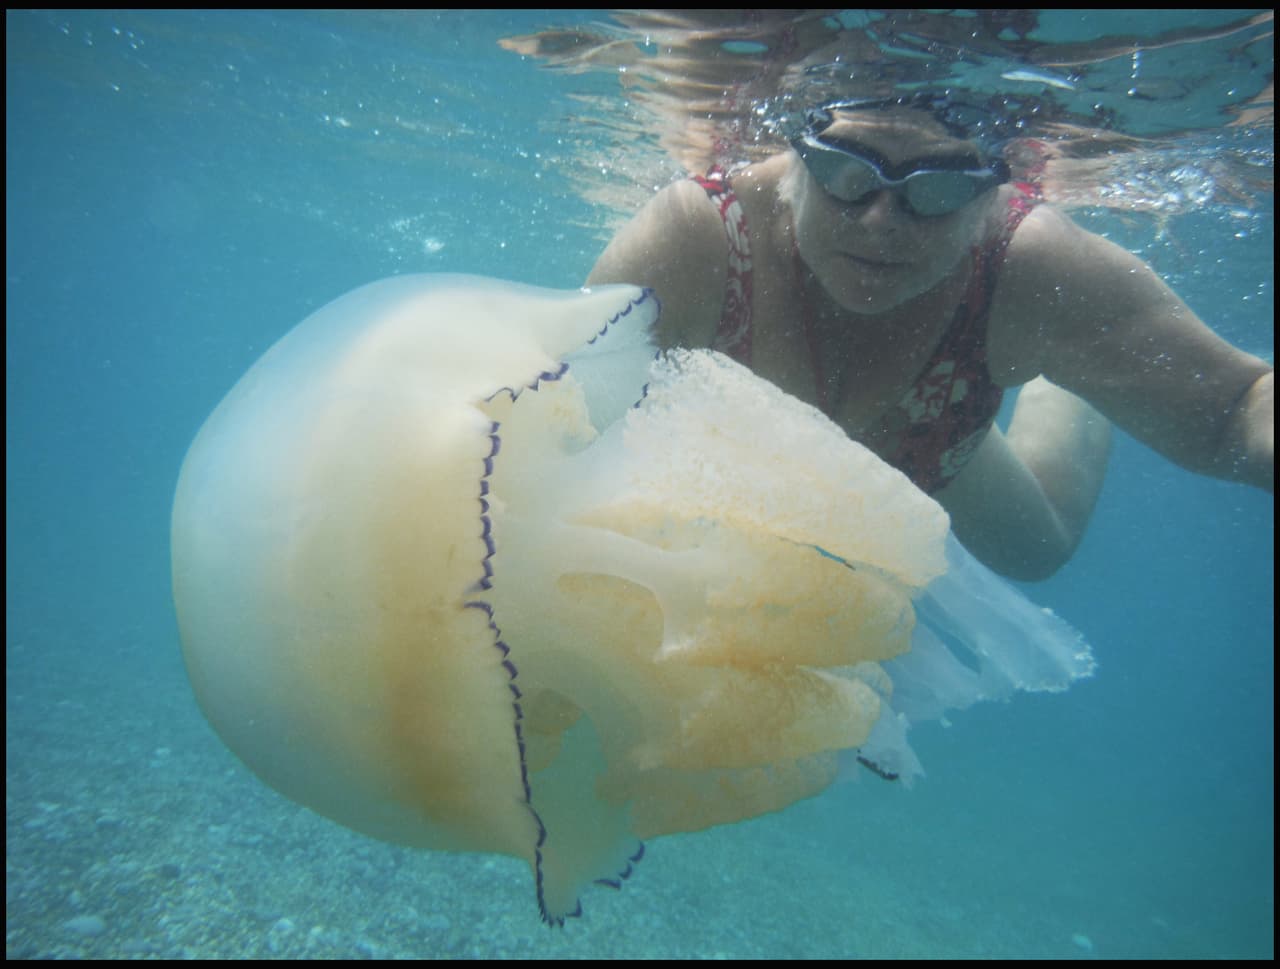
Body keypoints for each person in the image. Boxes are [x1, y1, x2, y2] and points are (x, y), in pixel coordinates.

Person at [585, 95, 1274, 580]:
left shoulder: (1033, 264)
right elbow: (553, 416)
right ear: (794, 166)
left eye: (938, 189)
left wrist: (1079, 329)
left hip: (927, 433)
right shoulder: (696, 233)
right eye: (846, 174)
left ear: (989, 194)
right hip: (735, 455)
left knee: (1037, 552)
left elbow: (1238, 410)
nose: (882, 222)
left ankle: (1072, 370)